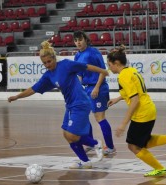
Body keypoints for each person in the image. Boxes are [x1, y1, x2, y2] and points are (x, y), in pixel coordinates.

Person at [7, 40, 109, 169]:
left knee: (72, 135)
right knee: (66, 135)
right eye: (44, 63)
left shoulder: (66, 65)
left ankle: (95, 143)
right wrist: (17, 97)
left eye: (49, 61)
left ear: (54, 58)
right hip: (70, 106)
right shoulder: (48, 76)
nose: (47, 65)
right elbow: (33, 89)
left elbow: (86, 66)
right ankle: (85, 161)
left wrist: (103, 71)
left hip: (81, 103)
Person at [106, 45, 166, 177]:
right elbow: (135, 92)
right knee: (144, 141)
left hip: (141, 113)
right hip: (149, 109)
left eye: (109, 65)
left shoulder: (123, 76)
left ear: (117, 63)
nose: (109, 68)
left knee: (133, 146)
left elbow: (135, 100)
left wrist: (123, 124)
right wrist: (119, 98)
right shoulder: (131, 70)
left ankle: (160, 169)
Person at [73, 31, 115, 156]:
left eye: (80, 39)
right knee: (85, 117)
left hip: (98, 88)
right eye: (76, 40)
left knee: (99, 118)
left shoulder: (93, 52)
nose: (78, 42)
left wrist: (96, 87)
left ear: (85, 39)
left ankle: (111, 147)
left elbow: (103, 71)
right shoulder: (77, 56)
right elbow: (79, 74)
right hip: (86, 89)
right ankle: (91, 143)